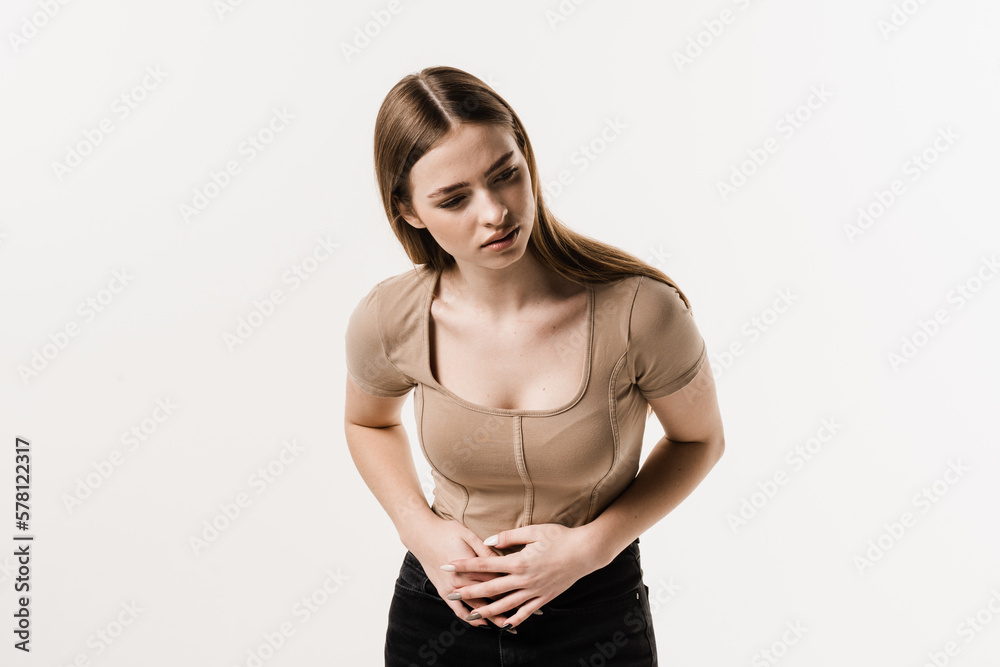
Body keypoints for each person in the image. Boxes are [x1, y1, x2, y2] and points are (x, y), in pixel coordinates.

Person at [344, 65, 726, 666]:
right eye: (454, 199)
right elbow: (367, 421)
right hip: (439, 610)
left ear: (527, 158)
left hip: (596, 615)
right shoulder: (390, 316)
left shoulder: (642, 311)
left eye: (506, 175)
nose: (495, 212)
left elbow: (700, 440)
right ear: (410, 210)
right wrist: (418, 529)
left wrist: (590, 548)